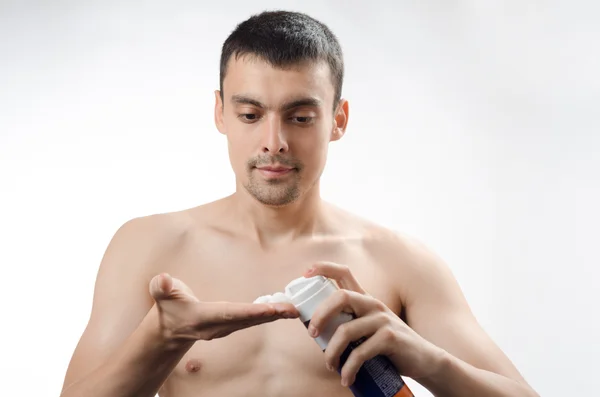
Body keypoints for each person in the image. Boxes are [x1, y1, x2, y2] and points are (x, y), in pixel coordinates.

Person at [59, 10, 539, 397]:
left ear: (338, 120)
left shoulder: (398, 262)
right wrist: (158, 340)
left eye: (301, 117)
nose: (274, 141)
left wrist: (422, 356)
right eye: (250, 114)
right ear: (220, 113)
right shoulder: (149, 248)